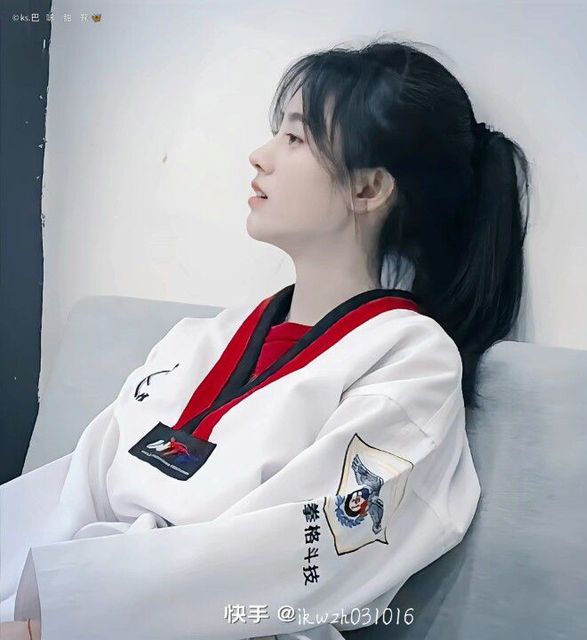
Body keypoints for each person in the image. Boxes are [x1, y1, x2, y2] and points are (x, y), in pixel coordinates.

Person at [0, 36, 530, 640]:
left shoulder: (411, 366)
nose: (260, 156)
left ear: (367, 189)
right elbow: (78, 488)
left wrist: (51, 626)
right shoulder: (198, 341)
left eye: (296, 138)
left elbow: (290, 558)